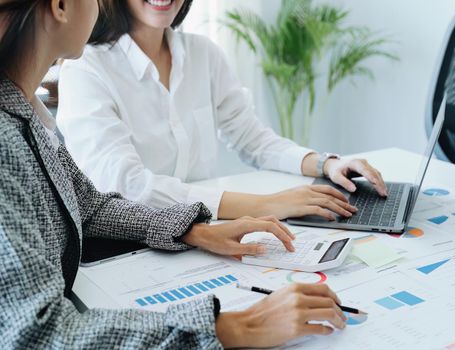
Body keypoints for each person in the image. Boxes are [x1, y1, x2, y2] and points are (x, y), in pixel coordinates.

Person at [0, 0, 347, 348]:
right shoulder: (7, 140)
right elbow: (38, 334)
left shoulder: (28, 114)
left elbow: (89, 206)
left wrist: (191, 231)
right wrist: (242, 326)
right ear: (60, 6)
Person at [56, 0, 388, 221]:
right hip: (130, 246)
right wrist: (266, 205)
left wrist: (327, 164)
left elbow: (253, 139)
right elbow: (127, 187)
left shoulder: (203, 54)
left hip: (207, 232)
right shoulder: (86, 68)